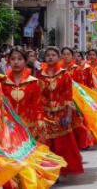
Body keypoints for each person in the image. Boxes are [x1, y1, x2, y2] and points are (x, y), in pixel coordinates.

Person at [37, 47, 84, 176]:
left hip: (61, 114)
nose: (50, 57)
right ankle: (49, 171)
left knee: (62, 144)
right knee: (46, 143)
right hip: (45, 114)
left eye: (53, 55)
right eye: (48, 55)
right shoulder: (39, 75)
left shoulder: (65, 74)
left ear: (58, 58)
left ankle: (60, 169)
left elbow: (69, 97)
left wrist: (68, 115)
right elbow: (37, 96)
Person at [2, 46, 44, 141]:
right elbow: (1, 106)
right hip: (8, 127)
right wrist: (6, 122)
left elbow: (38, 106)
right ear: (8, 61)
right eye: (13, 59)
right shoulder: (3, 82)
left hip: (29, 128)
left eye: (20, 59)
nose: (16, 62)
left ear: (25, 61)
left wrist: (40, 123)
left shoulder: (33, 82)